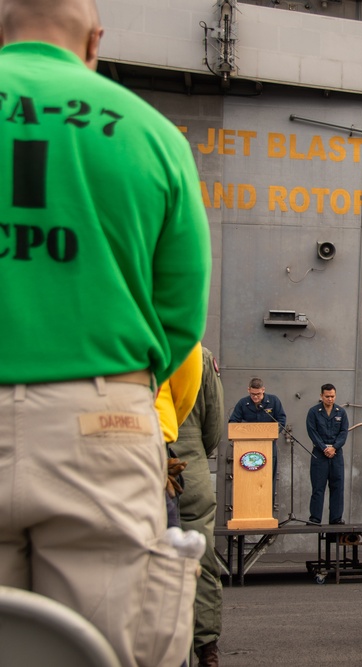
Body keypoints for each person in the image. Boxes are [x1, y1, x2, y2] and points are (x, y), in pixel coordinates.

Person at [0, 0, 211, 664]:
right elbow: (180, 316)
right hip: (101, 423)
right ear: (94, 41)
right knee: (110, 647)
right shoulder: (153, 134)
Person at [174, 346, 226, 667]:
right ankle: (206, 646)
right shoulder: (199, 354)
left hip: (140, 453)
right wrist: (193, 451)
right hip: (189, 455)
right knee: (200, 554)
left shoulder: (128, 336)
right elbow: (214, 423)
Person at [229, 377, 286, 508]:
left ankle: (267, 509)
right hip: (246, 449)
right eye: (253, 394)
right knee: (247, 480)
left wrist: (272, 432)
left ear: (263, 390)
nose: (256, 397)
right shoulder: (243, 403)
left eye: (258, 394)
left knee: (268, 480)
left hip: (268, 447)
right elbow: (233, 422)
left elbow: (281, 420)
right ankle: (246, 508)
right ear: (248, 390)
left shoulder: (274, 401)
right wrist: (244, 431)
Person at [306, 384, 350, 525]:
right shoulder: (313, 412)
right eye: (327, 396)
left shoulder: (341, 412)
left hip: (336, 454)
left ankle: (336, 518)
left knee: (337, 486)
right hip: (320, 454)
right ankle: (315, 517)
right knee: (318, 486)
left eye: (332, 396)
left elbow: (344, 433)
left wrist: (334, 447)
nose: (330, 399)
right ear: (321, 396)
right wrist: (324, 448)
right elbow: (312, 432)